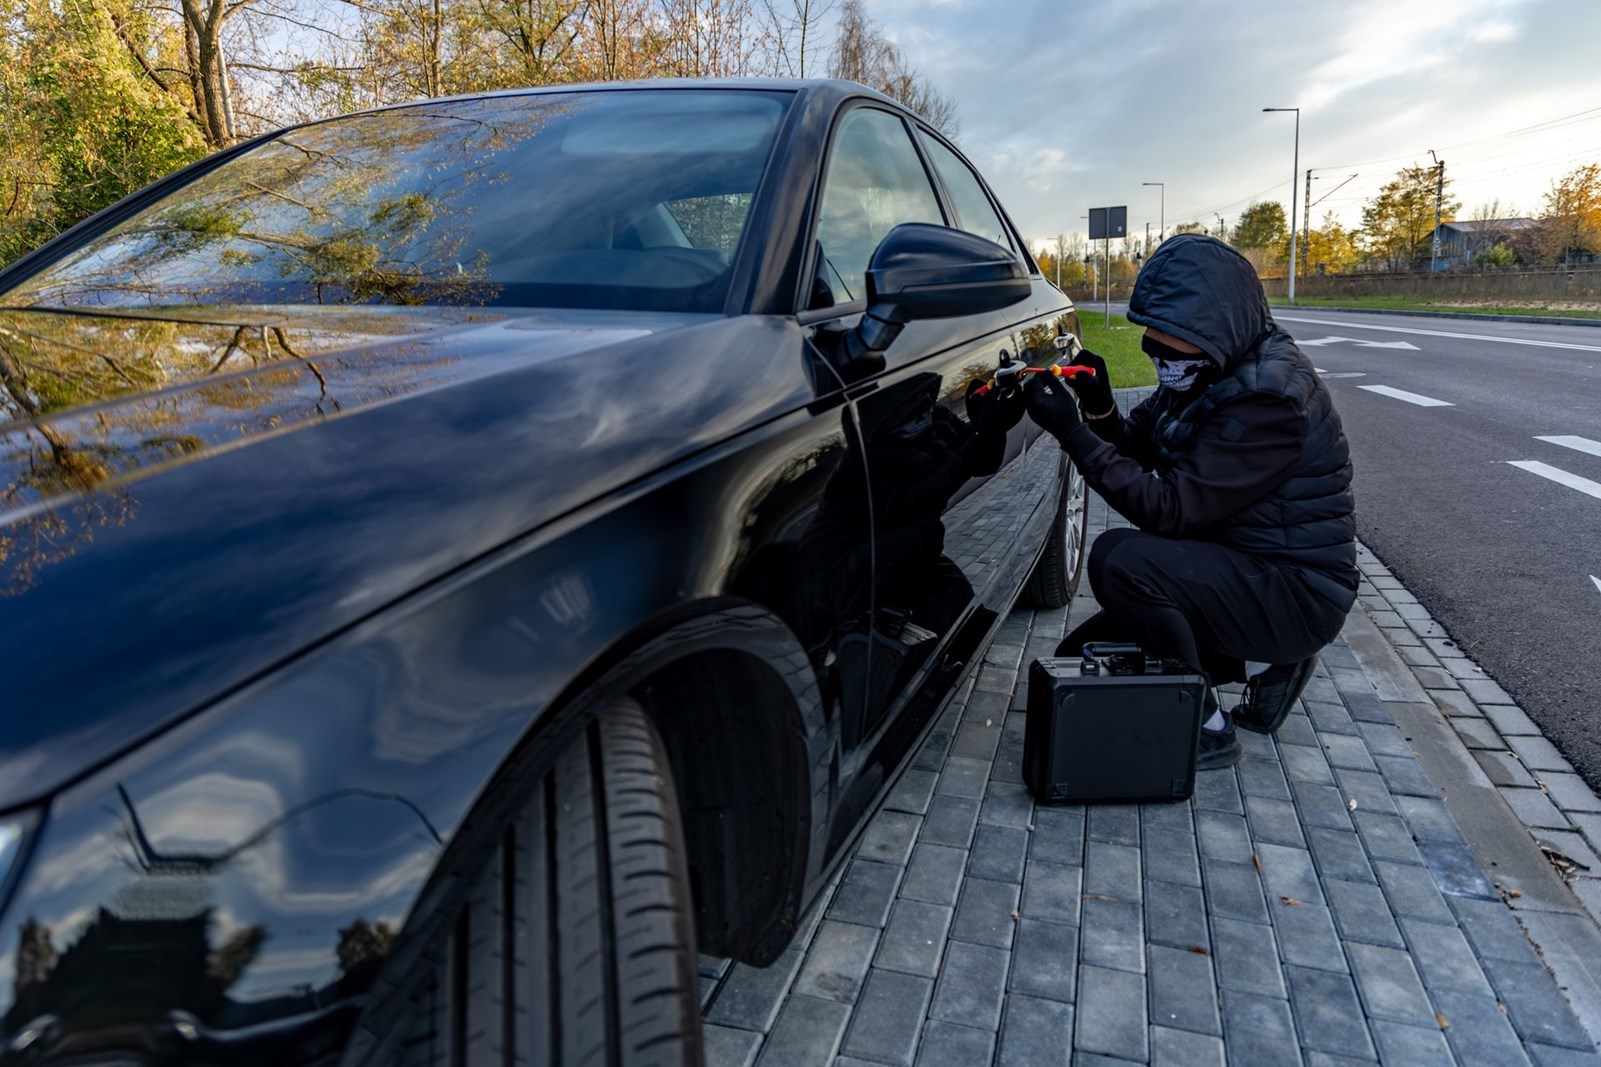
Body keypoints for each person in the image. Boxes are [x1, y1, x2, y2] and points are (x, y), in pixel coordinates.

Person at [1023, 234, 1357, 769]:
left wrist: (1071, 433)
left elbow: (1169, 510)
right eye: (1149, 327)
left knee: (1121, 561)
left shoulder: (1265, 401)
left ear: (1212, 325)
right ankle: (1259, 664)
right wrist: (1101, 407)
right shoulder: (1212, 366)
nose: (1153, 343)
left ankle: (1207, 726)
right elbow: (1142, 447)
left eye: (1166, 332)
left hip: (1294, 591)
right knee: (1076, 659)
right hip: (1244, 562)